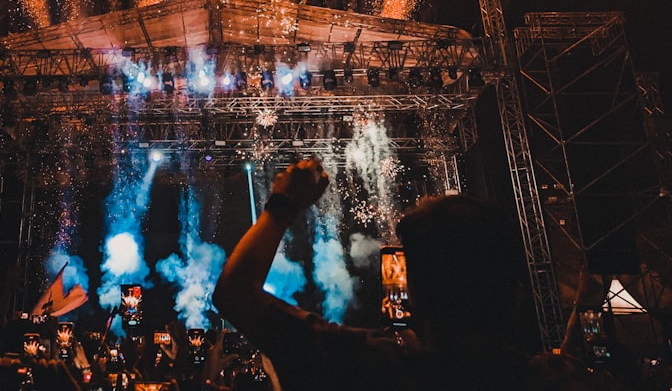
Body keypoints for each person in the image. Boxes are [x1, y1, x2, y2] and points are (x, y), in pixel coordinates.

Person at [212, 158, 621, 391]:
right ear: (514, 290)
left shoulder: (372, 366)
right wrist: (584, 305)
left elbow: (234, 294)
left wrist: (282, 206)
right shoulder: (545, 381)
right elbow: (563, 366)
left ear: (416, 293)